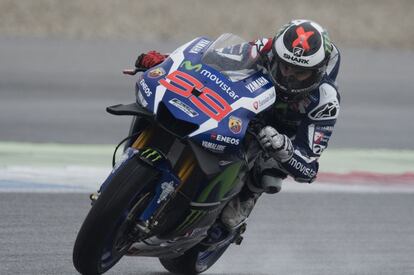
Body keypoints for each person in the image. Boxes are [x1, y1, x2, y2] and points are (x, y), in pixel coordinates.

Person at [133, 19, 341, 229]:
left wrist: (284, 149)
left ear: (318, 71)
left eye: (299, 73)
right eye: (285, 67)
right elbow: (212, 59)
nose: (289, 77)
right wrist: (165, 61)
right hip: (245, 107)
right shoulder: (264, 49)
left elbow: (309, 169)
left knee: (267, 173)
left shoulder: (325, 100)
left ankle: (245, 198)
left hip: (280, 133)